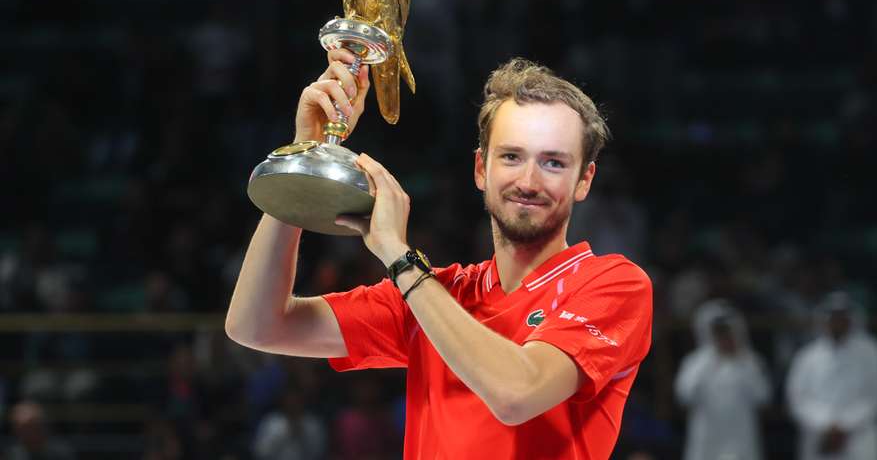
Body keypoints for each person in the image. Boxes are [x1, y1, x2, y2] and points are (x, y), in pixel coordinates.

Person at [226, 51, 654, 459]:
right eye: (511, 157)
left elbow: (517, 393)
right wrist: (305, 160)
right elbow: (257, 325)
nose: (528, 180)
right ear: (481, 169)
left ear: (584, 181)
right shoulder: (436, 295)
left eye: (554, 163)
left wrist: (398, 255)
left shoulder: (613, 285)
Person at [785, 291, 877, 460]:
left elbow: (876, 397)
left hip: (860, 437)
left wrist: (844, 425)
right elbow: (797, 399)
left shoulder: (872, 352)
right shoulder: (807, 356)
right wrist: (826, 423)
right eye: (833, 317)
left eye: (842, 317)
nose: (837, 322)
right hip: (819, 436)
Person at [674, 299, 771, 460]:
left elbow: (762, 397)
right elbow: (685, 395)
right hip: (706, 440)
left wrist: (741, 361)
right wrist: (709, 358)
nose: (723, 336)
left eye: (726, 330)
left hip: (741, 438)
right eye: (718, 331)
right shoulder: (695, 362)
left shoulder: (750, 361)